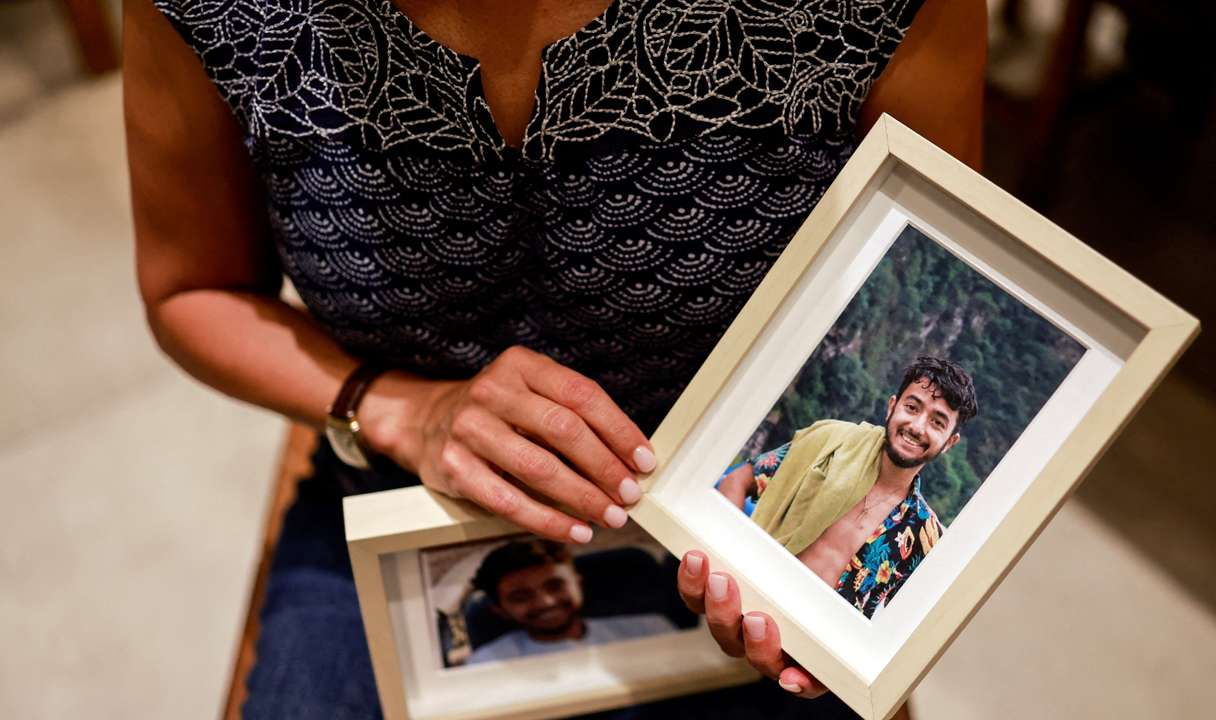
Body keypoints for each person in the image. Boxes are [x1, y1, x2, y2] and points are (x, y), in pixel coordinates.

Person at [124, 0, 986, 714]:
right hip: (400, 500)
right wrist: (400, 410)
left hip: (741, 546)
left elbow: (954, 269)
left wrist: (782, 552)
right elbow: (193, 288)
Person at [717, 356, 978, 619]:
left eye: (937, 422)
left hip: (811, 638)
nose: (918, 427)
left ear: (949, 443)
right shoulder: (833, 443)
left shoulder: (925, 537)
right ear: (892, 407)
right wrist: (727, 564)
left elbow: (904, 623)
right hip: (747, 592)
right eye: (912, 407)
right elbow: (737, 481)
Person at [465, 539, 674, 664]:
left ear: (578, 583)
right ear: (499, 609)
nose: (546, 602)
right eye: (521, 597)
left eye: (555, 586)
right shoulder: (487, 663)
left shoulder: (651, 630)